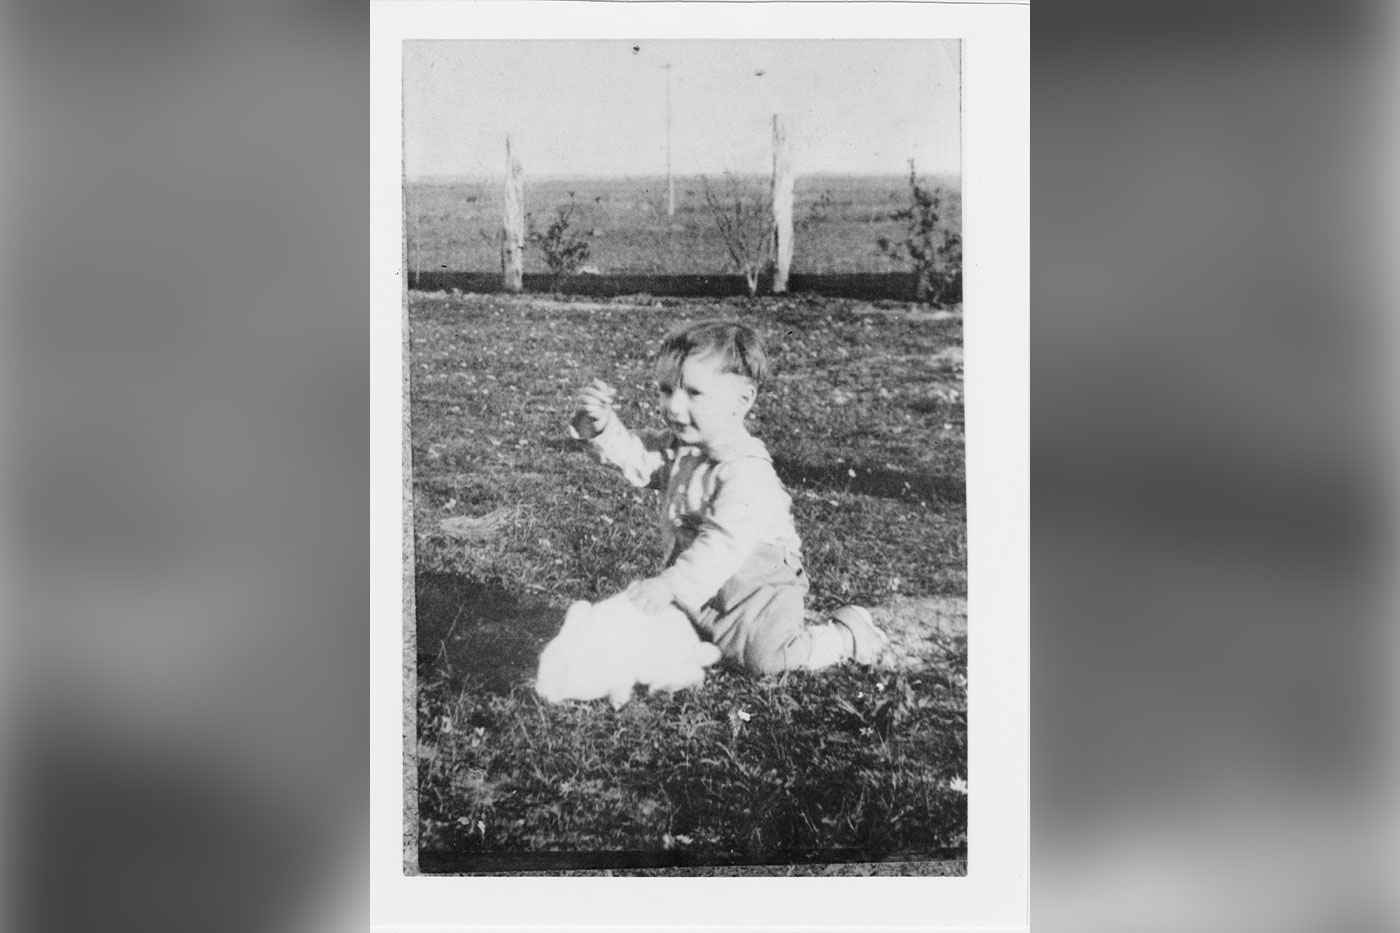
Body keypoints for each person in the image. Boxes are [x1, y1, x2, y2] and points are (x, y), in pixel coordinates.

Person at [569, 320, 888, 674]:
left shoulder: (746, 472)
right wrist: (598, 427)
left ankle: (844, 635)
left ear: (742, 400)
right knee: (669, 640)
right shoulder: (683, 448)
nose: (673, 407)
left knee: (765, 658)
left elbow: (724, 545)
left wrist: (670, 585)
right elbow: (638, 457)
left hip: (757, 583)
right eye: (665, 390)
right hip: (702, 580)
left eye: (693, 393)